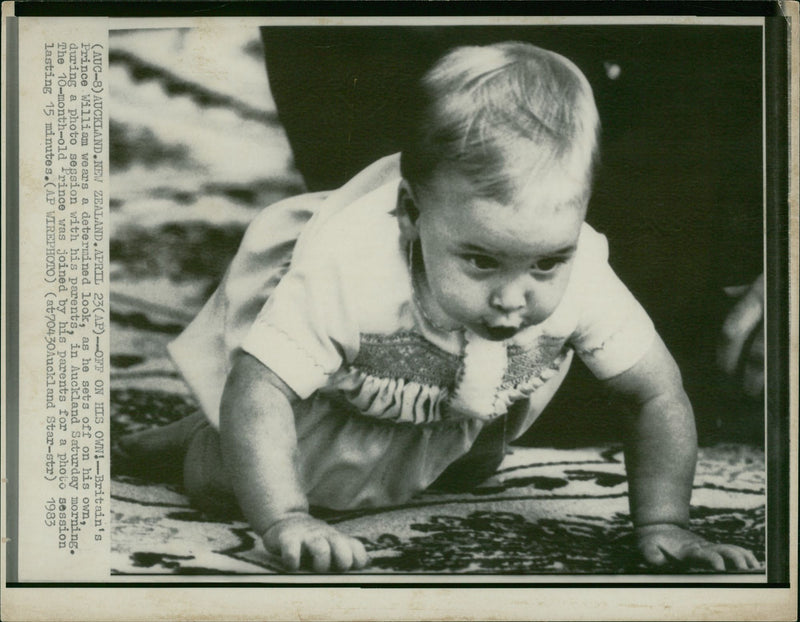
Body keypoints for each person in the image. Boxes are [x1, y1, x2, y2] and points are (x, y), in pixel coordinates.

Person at [118, 42, 760, 573]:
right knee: (223, 472)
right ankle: (181, 440)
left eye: (546, 263)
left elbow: (655, 394)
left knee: (471, 462)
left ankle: (435, 434)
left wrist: (666, 520)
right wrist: (285, 517)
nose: (514, 298)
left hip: (449, 397)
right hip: (337, 393)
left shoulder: (584, 269)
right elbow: (260, 390)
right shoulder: (351, 268)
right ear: (411, 214)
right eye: (480, 260)